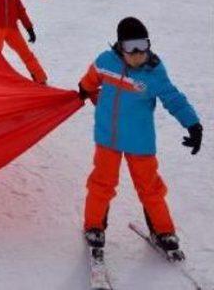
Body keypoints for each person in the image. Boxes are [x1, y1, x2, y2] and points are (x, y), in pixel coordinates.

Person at [79, 17, 202, 259]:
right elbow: (88, 83)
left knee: (150, 188)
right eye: (130, 47)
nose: (137, 54)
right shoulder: (105, 62)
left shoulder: (154, 72)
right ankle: (94, 226)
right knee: (102, 183)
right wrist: (87, 93)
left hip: (140, 142)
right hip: (108, 138)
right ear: (119, 47)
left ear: (148, 44)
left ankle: (163, 231)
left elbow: (173, 98)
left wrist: (192, 124)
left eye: (142, 46)